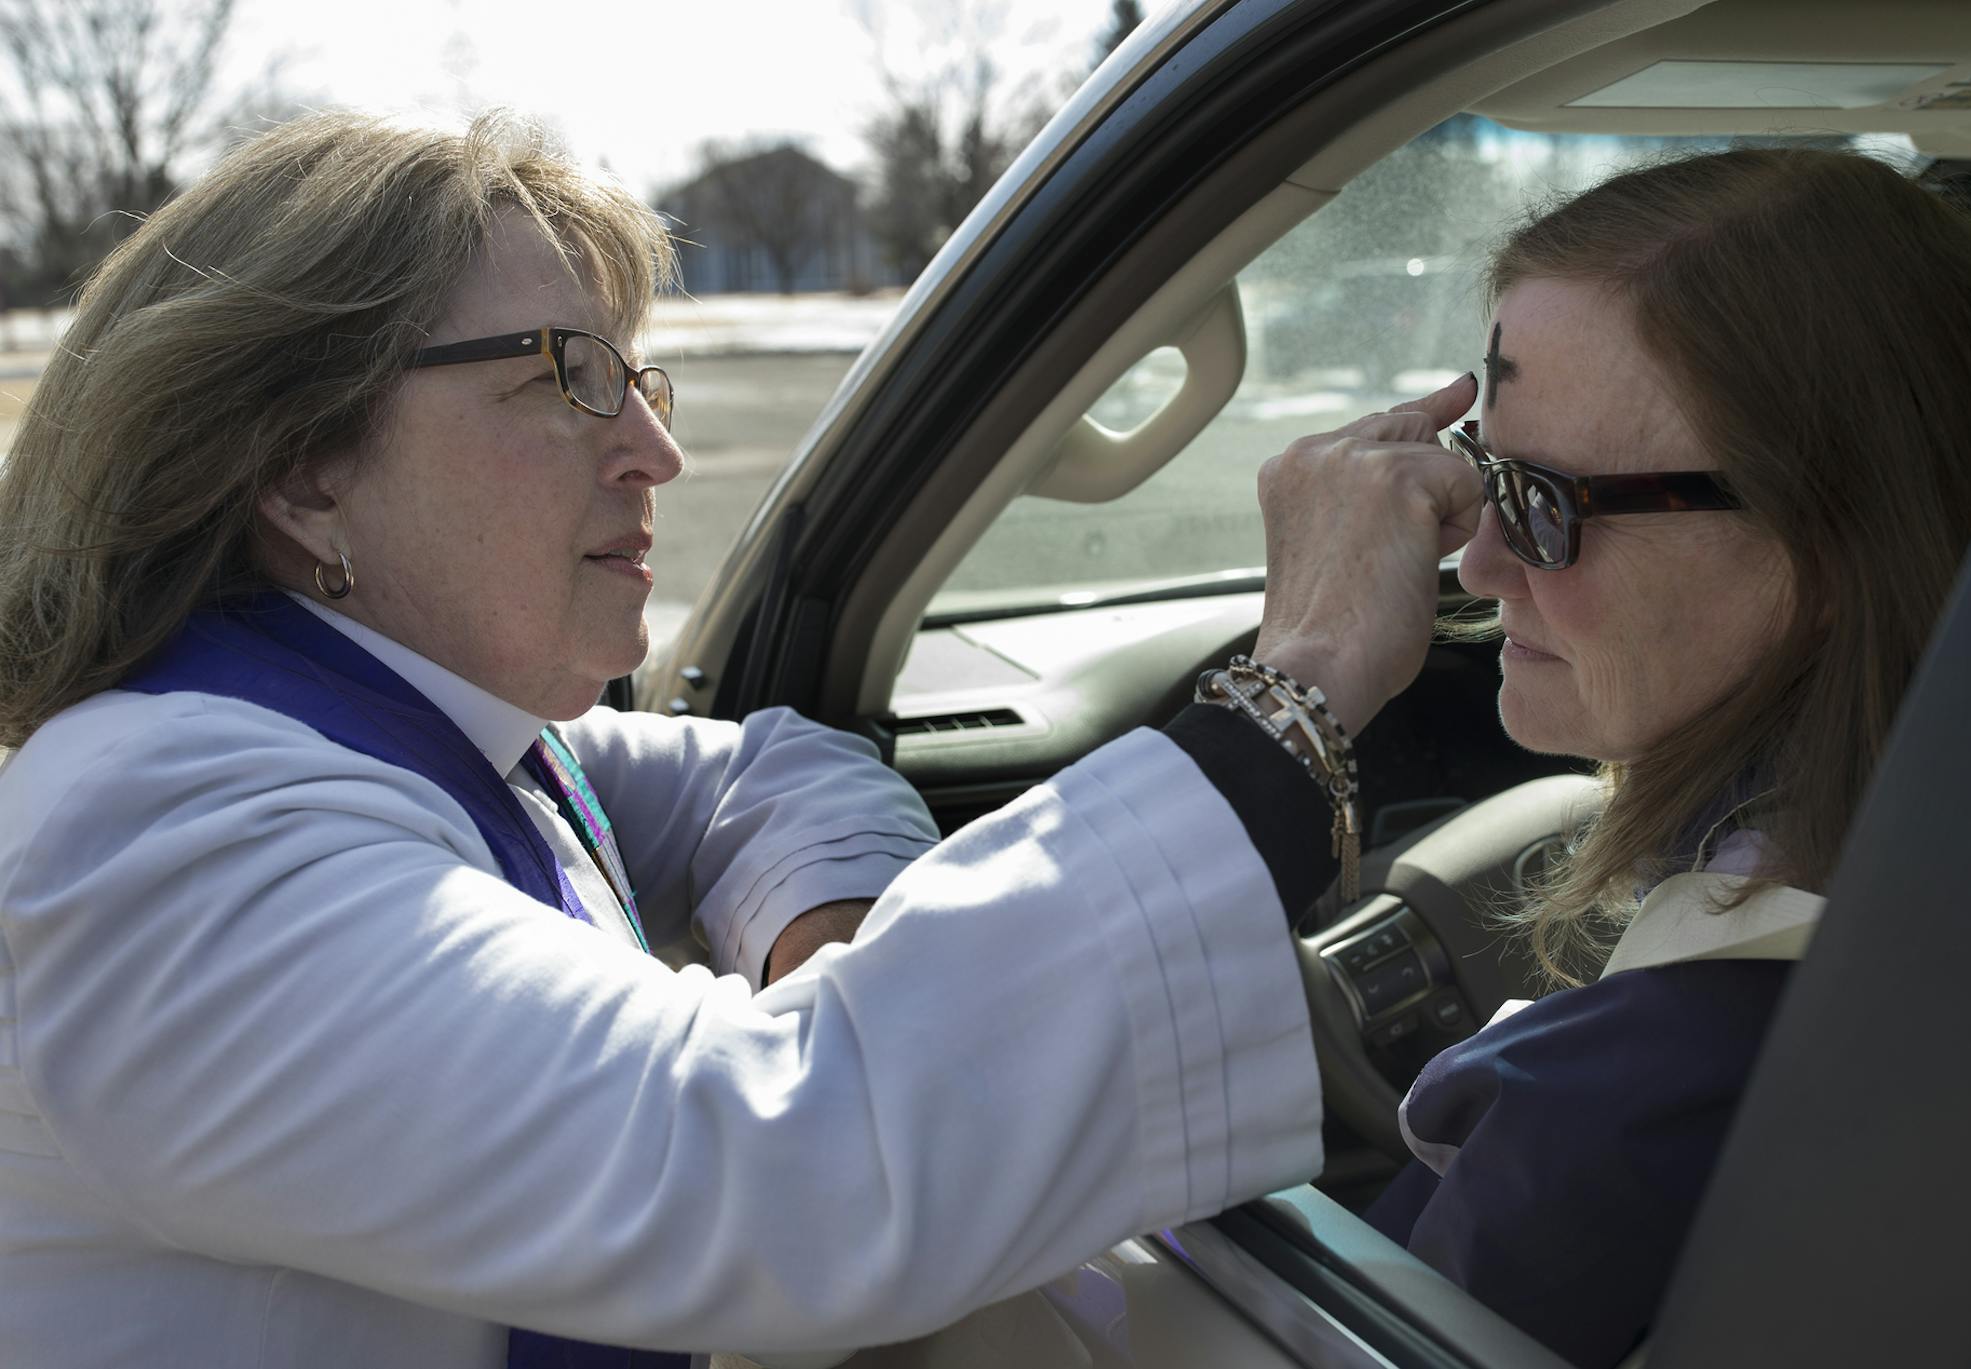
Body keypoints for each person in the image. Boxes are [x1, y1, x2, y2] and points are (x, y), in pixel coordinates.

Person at [0, 112, 1481, 1366]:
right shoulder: (168, 846)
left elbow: (776, 768)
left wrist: (825, 947)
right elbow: (774, 1161)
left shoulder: (435, 736)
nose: (657, 451)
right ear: (307, 472)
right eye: (565, 376)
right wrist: (1302, 683)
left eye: (639, 380)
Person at [1359, 148, 1971, 1368]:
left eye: (1543, 500)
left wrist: (1284, 702)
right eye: (1486, 478)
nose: (1477, 568)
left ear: (1829, 551)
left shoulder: (1627, 1102)